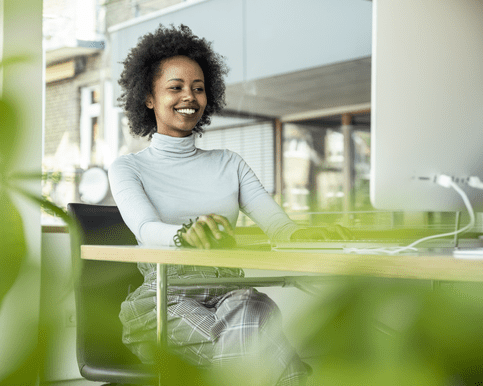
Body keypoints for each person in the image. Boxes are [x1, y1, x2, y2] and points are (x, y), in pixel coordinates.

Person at [108, 24, 342, 386]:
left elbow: (279, 227)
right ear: (148, 97)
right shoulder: (128, 167)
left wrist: (310, 235)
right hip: (163, 301)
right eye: (176, 87)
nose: (190, 96)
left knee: (253, 310)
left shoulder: (229, 163)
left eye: (198, 88)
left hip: (230, 292)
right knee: (264, 344)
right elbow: (145, 229)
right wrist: (187, 234)